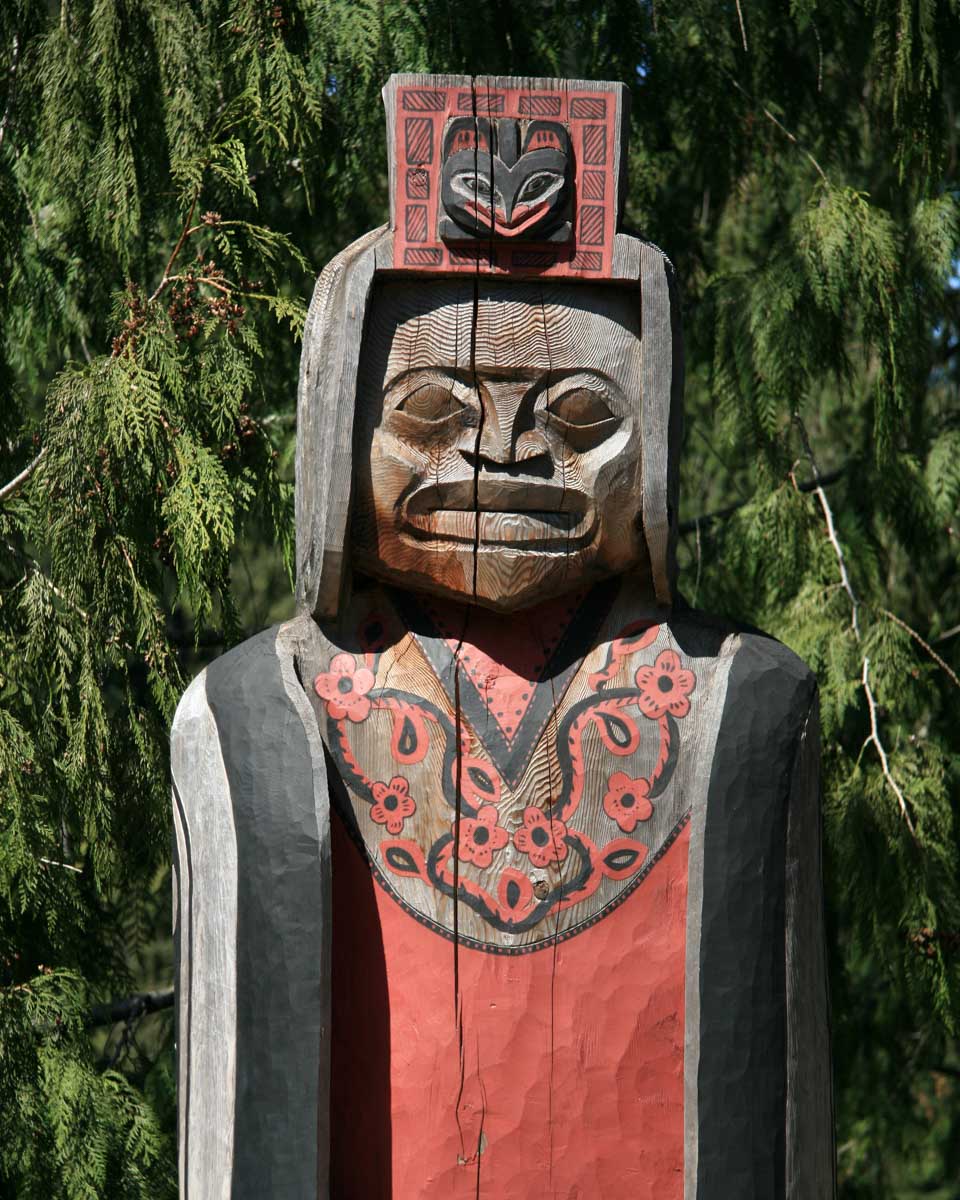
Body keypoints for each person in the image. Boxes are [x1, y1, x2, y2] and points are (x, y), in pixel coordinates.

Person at [171, 74, 834, 1198]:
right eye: (434, 413)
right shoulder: (252, 711)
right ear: (340, 431)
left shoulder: (746, 705)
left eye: (580, 416)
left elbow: (779, 1110)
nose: (506, 457)